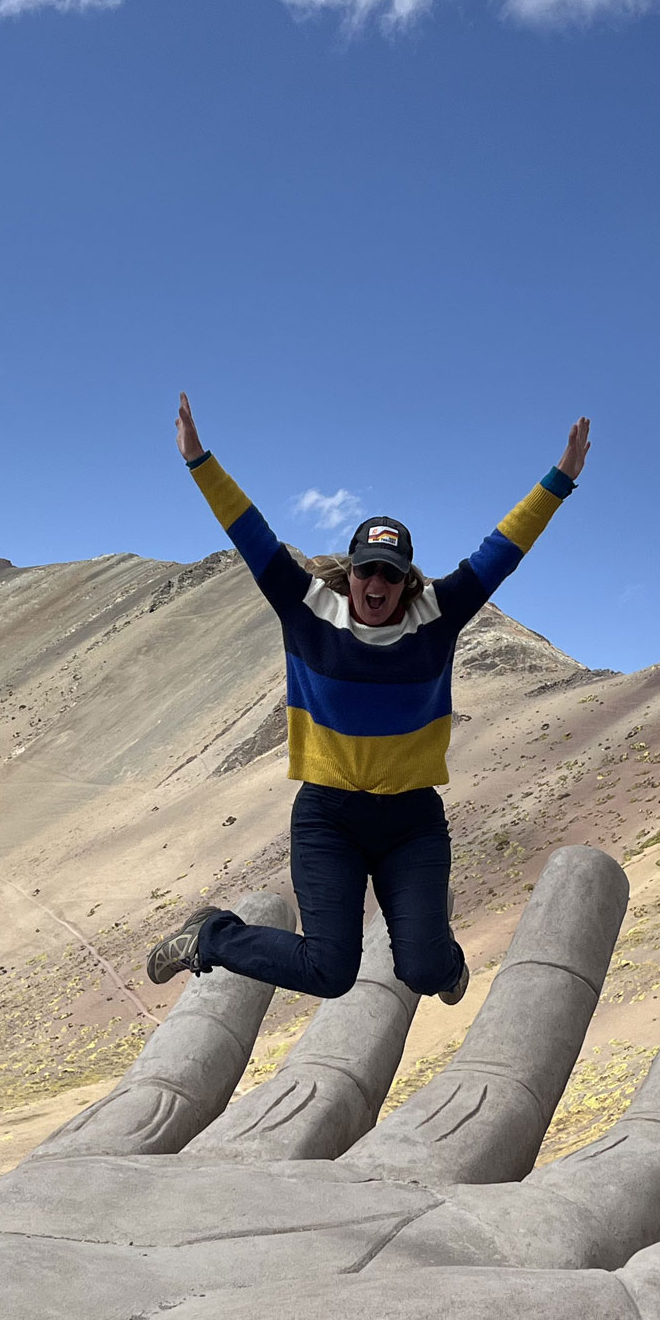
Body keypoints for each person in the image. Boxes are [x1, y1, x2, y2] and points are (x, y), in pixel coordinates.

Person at [146, 393, 591, 1004]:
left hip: (411, 819)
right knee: (329, 972)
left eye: (390, 573)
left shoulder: (437, 616)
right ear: (350, 571)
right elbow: (250, 532)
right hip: (329, 816)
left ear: (406, 581)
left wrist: (560, 480)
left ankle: (435, 951)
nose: (376, 583)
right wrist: (199, 460)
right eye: (366, 570)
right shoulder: (306, 608)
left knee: (427, 972)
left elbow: (501, 551)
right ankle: (210, 936)